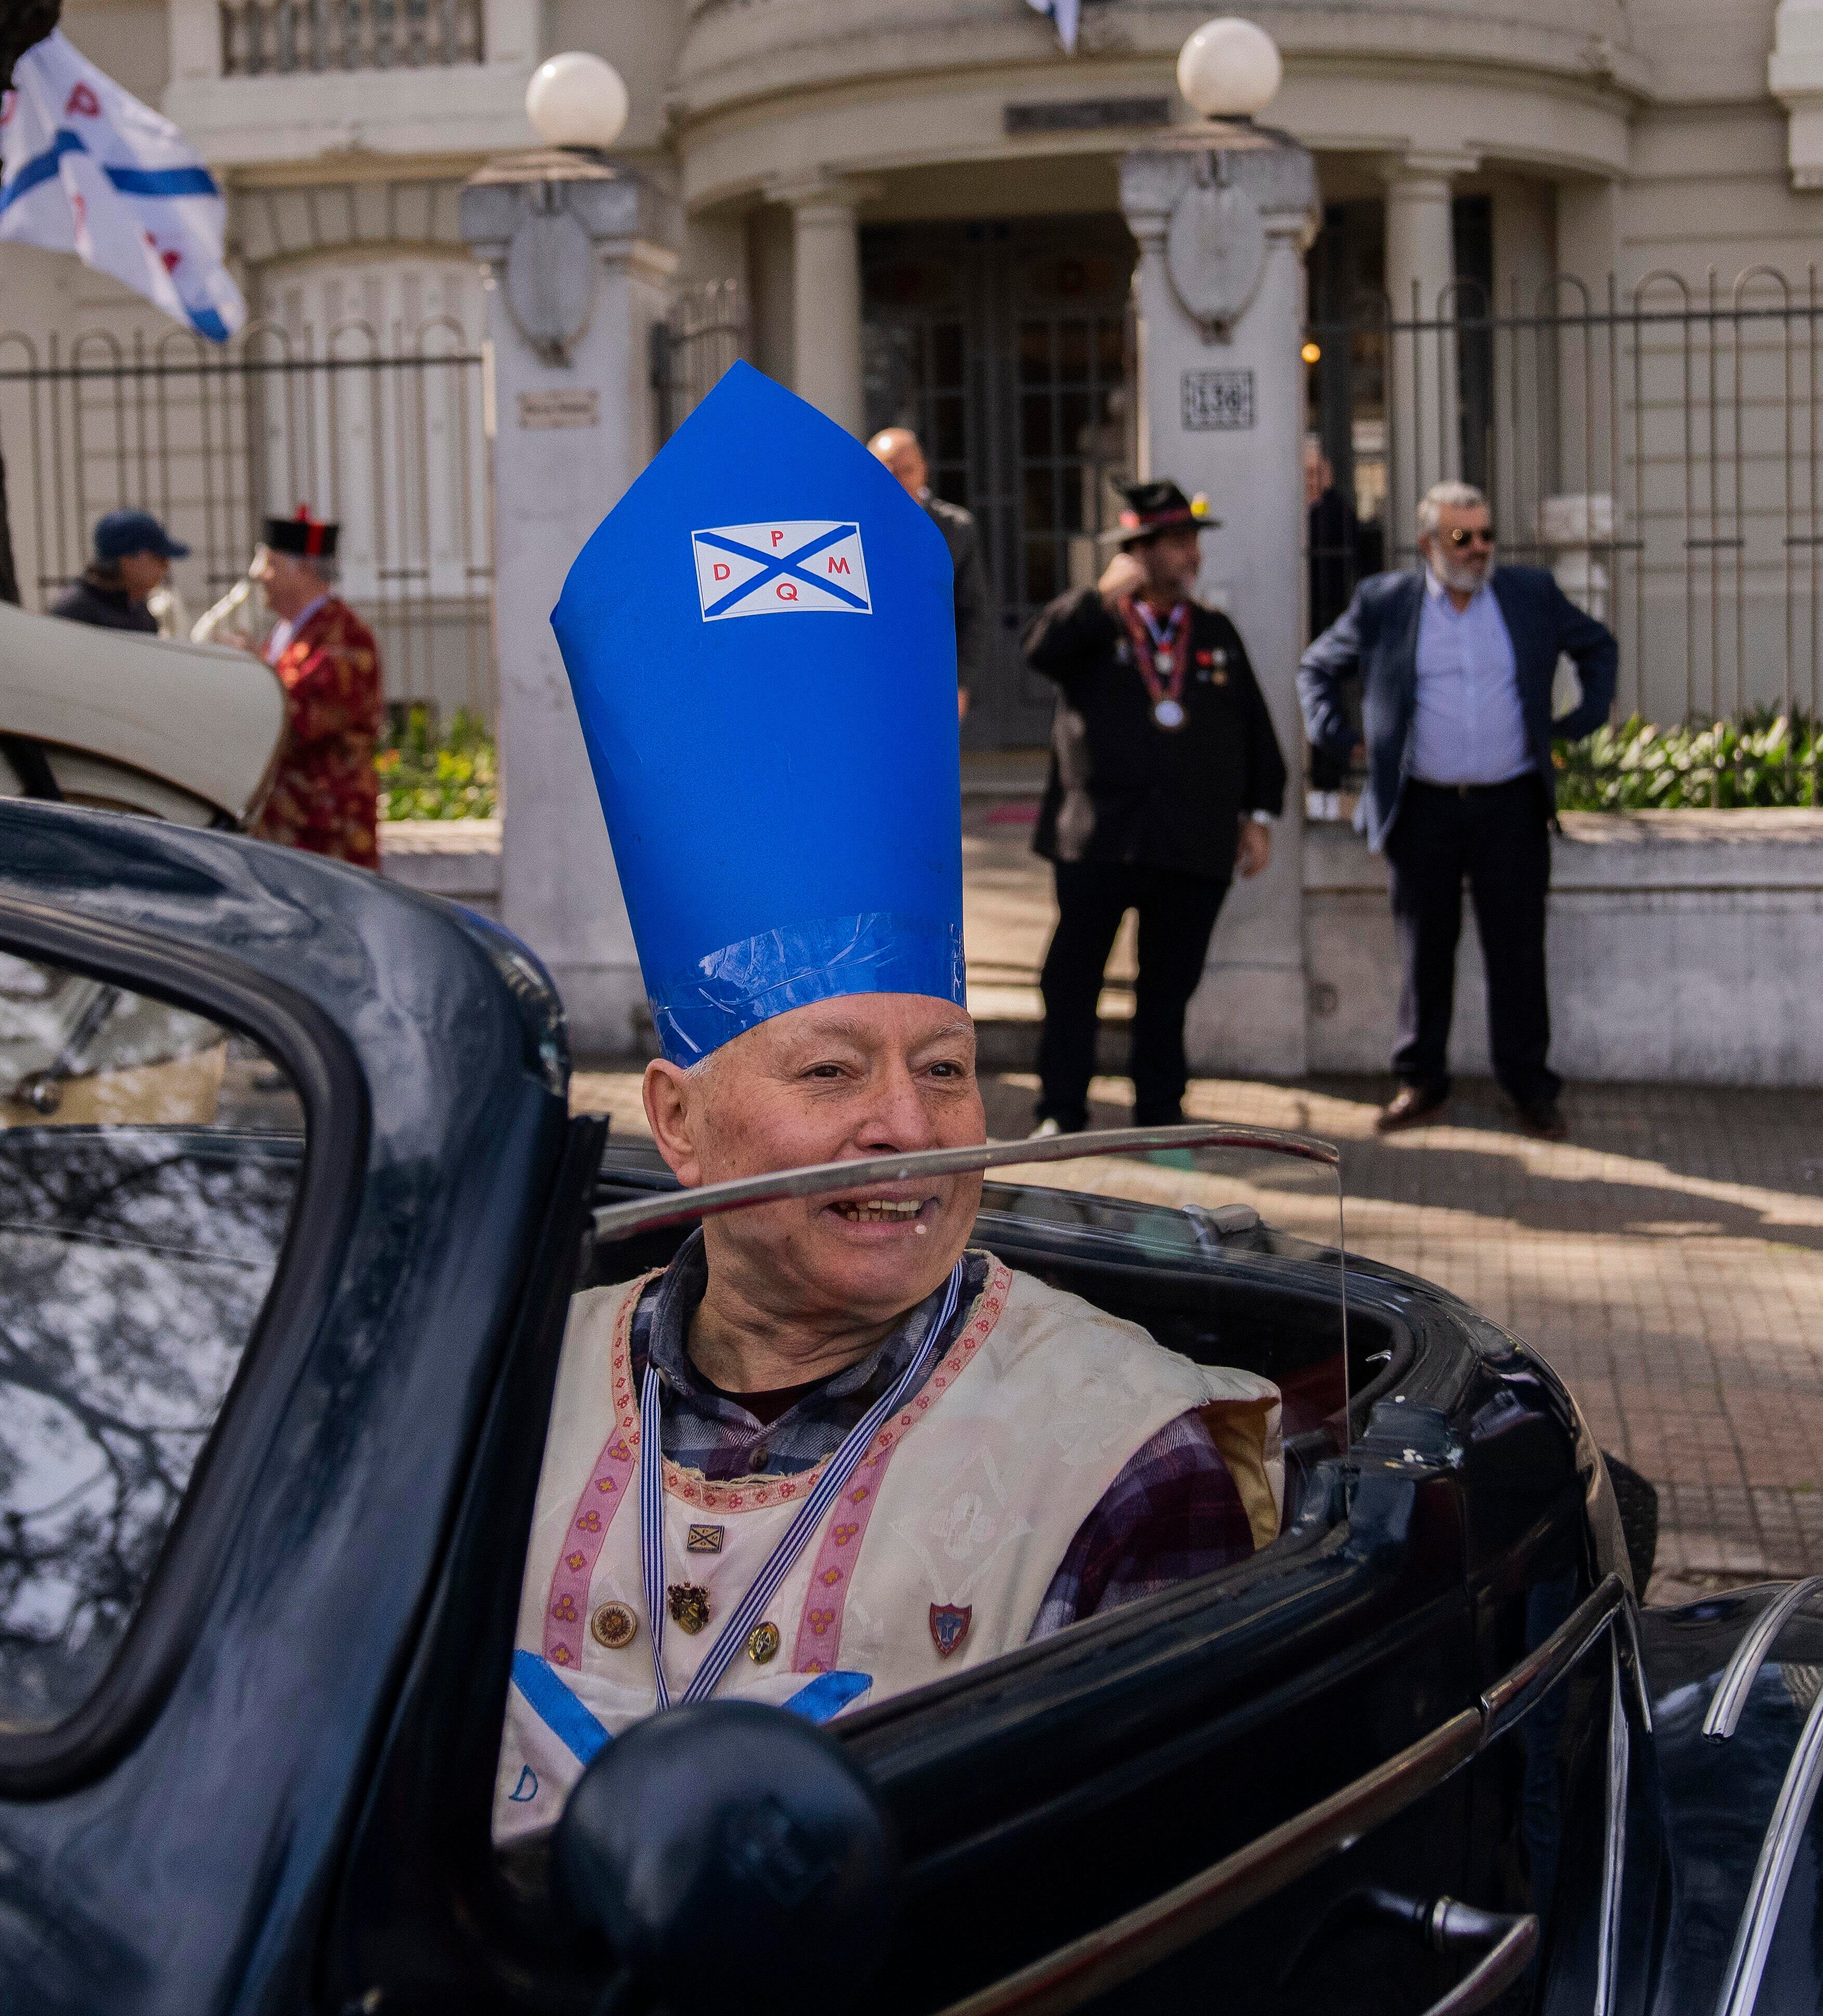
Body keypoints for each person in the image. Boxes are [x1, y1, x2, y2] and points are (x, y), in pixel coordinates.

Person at [501, 362, 1277, 1832]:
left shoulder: (1121, 1456)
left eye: (940, 1068)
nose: (908, 1129)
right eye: (829, 1071)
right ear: (675, 1124)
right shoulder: (505, 1388)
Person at [1297, 480, 1619, 1142]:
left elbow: (1597, 645)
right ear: (1426, 544)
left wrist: (1582, 717)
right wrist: (1341, 737)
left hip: (1510, 803)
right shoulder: (1385, 602)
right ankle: (1421, 1081)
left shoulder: (1527, 595)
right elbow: (1317, 669)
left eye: (1484, 536)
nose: (1477, 550)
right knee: (1423, 950)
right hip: (1422, 807)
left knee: (1518, 950)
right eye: (1460, 538)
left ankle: (1529, 1087)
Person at [1024, 483, 1287, 1132]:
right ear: (1138, 552)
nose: (1193, 553)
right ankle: (1061, 1108)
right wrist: (1098, 593)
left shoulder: (1215, 632)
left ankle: (1160, 1108)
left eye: (1193, 540)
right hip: (1099, 837)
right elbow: (1039, 650)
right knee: (1072, 979)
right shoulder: (1092, 626)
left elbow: (1253, 726)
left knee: (1168, 985)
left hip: (1189, 839)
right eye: (1178, 541)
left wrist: (1257, 815)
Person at [247, 509, 382, 870]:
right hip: (284, 830)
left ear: (303, 570)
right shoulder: (284, 632)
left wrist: (249, 673)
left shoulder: (346, 637)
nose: (257, 574)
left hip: (326, 834)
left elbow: (303, 719)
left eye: (269, 563)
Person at [867, 425, 983, 721]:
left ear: (924, 470)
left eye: (907, 471)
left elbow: (972, 611)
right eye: (886, 472)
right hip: (869, 678)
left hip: (932, 678)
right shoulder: (851, 530)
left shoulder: (955, 528)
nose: (897, 481)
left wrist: (960, 684)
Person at [46, 509, 189, 634]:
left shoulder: (138, 611)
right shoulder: (74, 616)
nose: (166, 567)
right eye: (159, 559)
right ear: (128, 561)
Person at [1301, 433, 1381, 642]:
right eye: (1306, 474)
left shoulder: (1339, 512)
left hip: (1331, 604)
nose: (1311, 481)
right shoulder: (1291, 512)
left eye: (1315, 474)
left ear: (1328, 475)